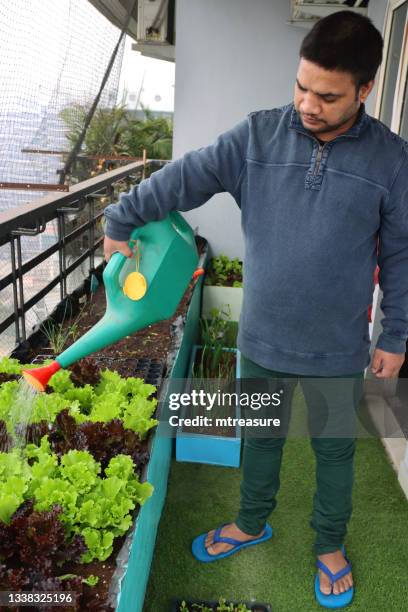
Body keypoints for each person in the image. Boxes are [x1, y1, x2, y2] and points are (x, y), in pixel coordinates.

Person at [103, 11, 408, 609]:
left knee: (336, 451)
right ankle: (250, 521)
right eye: (301, 86)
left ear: (365, 90)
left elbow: (400, 256)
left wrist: (394, 333)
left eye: (326, 95)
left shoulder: (392, 162)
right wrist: (122, 216)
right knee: (261, 438)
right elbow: (185, 177)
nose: (307, 104)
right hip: (263, 338)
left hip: (337, 347)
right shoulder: (256, 136)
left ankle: (329, 544)